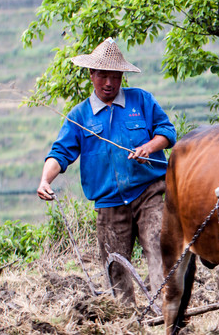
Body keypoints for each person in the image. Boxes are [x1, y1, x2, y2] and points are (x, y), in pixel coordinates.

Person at [37, 37, 176, 304]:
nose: (109, 83)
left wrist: (148, 147)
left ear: (122, 75)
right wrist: (45, 179)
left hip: (149, 194)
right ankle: (126, 320)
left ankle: (166, 312)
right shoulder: (79, 116)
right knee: (116, 267)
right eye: (103, 76)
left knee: (159, 248)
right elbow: (60, 153)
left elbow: (167, 132)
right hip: (109, 203)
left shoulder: (142, 101)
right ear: (92, 75)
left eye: (115, 76)